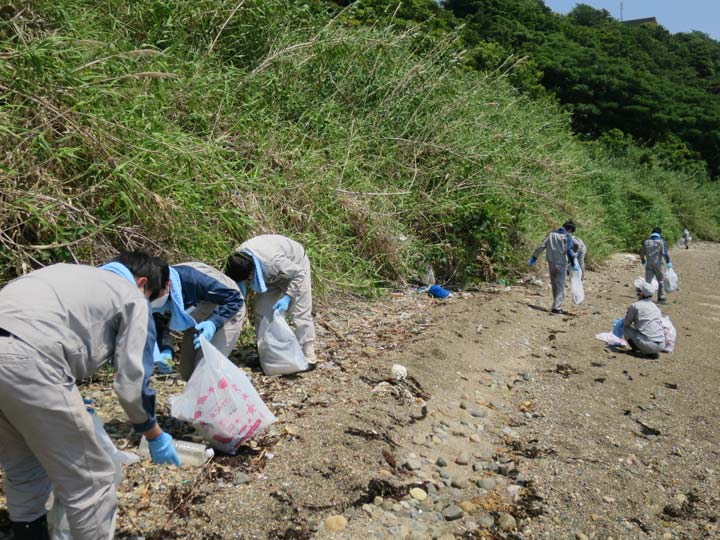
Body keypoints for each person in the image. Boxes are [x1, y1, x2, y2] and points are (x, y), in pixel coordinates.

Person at [0, 251, 181, 540]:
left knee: (24, 467)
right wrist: (153, 432)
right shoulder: (131, 297)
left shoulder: (69, 272)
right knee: (93, 479)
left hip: (17, 354)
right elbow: (131, 382)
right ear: (142, 282)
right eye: (154, 296)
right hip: (30, 359)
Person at [225, 234, 317, 366]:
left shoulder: (273, 261)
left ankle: (308, 354)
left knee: (300, 312)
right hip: (269, 276)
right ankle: (267, 352)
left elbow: (299, 274)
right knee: (262, 312)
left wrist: (288, 296)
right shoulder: (237, 260)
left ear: (251, 273)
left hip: (296, 267)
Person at [152, 261, 245, 381]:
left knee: (205, 372)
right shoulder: (149, 290)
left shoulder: (194, 280)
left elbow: (234, 299)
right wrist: (165, 350)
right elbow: (160, 323)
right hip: (197, 309)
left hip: (228, 306)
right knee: (188, 374)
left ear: (167, 285)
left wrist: (213, 323)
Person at [529, 221, 579, 314]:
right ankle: (556, 307)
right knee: (560, 285)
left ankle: (556, 304)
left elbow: (542, 246)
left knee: (554, 284)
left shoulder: (551, 235)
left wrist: (534, 258)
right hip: (561, 263)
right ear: (570, 229)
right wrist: (573, 264)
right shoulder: (567, 236)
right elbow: (569, 252)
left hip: (551, 262)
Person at [622, 278, 665, 358]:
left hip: (649, 345)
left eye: (638, 290)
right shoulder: (656, 308)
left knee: (626, 328)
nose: (637, 292)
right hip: (661, 344)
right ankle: (652, 352)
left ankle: (637, 350)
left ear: (641, 293)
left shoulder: (636, 306)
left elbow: (626, 322)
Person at [639, 227, 671, 302]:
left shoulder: (646, 242)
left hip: (649, 264)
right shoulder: (661, 242)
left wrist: (643, 260)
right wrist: (668, 262)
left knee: (648, 281)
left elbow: (641, 253)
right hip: (658, 264)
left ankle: (646, 296)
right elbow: (664, 254)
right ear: (659, 233)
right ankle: (661, 297)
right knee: (660, 280)